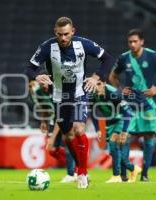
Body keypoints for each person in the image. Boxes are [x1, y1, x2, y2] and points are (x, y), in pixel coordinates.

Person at [26, 16, 113, 189]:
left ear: (73, 31)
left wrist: (97, 77)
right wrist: (36, 75)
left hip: (80, 93)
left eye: (66, 34)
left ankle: (82, 173)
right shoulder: (47, 47)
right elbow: (29, 68)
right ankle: (79, 170)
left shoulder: (83, 44)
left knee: (79, 128)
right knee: (68, 136)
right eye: (60, 35)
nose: (63, 38)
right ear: (55, 32)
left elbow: (107, 59)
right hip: (59, 97)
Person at [109, 29, 156, 181]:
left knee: (149, 137)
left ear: (142, 41)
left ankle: (145, 173)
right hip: (130, 105)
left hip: (148, 104)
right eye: (130, 42)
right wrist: (120, 89)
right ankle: (124, 173)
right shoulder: (123, 58)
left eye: (135, 41)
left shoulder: (153, 56)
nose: (132, 44)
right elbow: (112, 76)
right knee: (124, 137)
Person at [93, 80, 141, 183]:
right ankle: (133, 168)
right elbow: (92, 112)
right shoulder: (92, 94)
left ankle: (116, 176)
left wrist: (124, 132)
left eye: (99, 84)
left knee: (113, 142)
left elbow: (127, 112)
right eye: (94, 84)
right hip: (109, 122)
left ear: (104, 83)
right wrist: (97, 129)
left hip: (121, 119)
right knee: (113, 152)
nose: (96, 87)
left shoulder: (114, 93)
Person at [29, 80, 77, 183]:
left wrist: (52, 137)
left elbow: (60, 116)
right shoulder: (38, 92)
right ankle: (76, 166)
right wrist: (43, 121)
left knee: (68, 142)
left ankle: (71, 173)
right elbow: (43, 107)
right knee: (52, 150)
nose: (44, 86)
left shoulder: (57, 91)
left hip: (64, 118)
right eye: (41, 84)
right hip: (53, 119)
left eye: (45, 84)